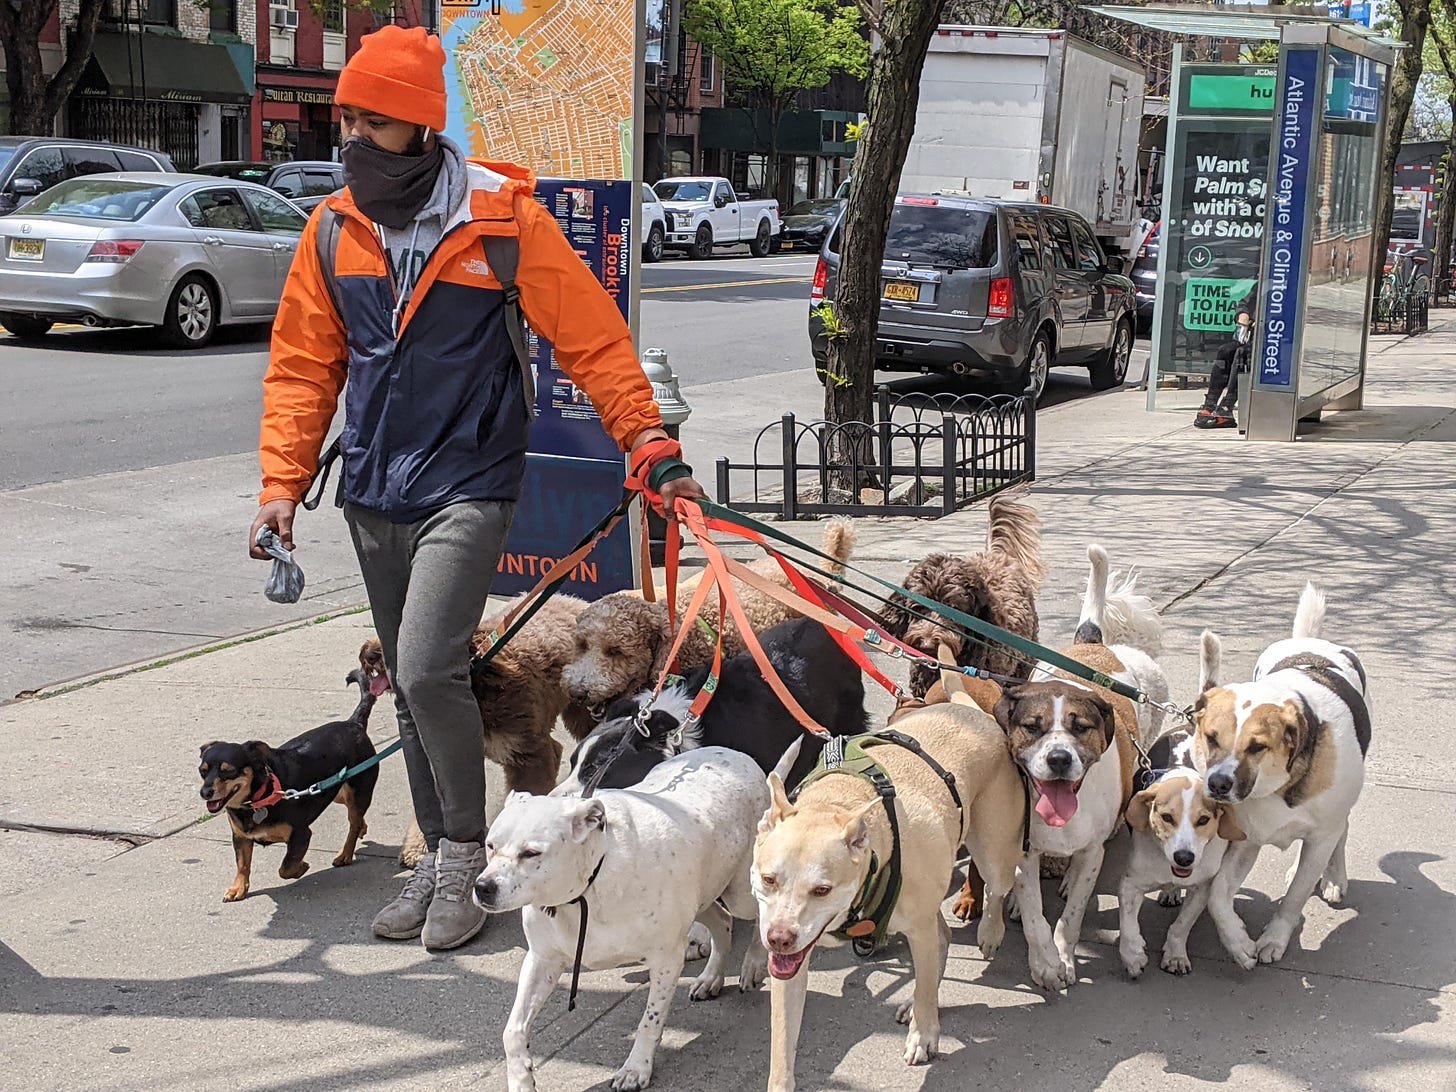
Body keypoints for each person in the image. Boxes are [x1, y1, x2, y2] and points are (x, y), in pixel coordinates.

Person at [247, 26, 705, 951]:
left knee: (424, 667)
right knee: (413, 692)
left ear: (418, 125)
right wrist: (280, 485)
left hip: (470, 479)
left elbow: (593, 340)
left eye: (373, 120)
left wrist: (648, 441)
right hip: (373, 485)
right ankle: (433, 864)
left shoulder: (502, 222)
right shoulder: (333, 227)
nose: (354, 137)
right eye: (350, 119)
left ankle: (463, 856)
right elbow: (303, 364)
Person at [1195, 281, 1257, 430]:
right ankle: (1211, 403)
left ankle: (1227, 407)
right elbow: (1245, 303)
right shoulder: (1265, 285)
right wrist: (1243, 314)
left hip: (1274, 341)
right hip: (1253, 336)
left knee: (1243, 354)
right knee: (1225, 351)